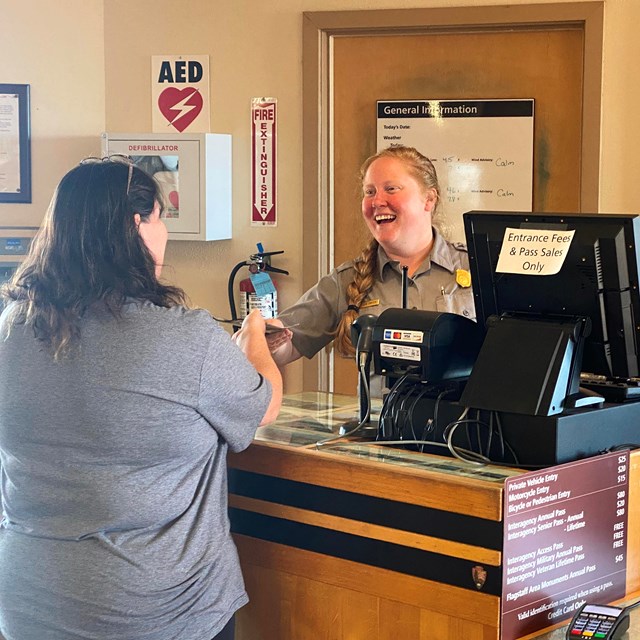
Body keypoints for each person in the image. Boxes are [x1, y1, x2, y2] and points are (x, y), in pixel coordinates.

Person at [0, 156, 282, 640]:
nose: (165, 234)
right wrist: (253, 335)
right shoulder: (183, 337)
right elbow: (264, 406)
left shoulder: (10, 328)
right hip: (158, 612)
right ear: (137, 224)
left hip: (28, 603)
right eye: (161, 220)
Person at [268, 144, 475, 372]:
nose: (377, 201)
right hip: (379, 409)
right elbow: (286, 345)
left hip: (461, 408)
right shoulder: (347, 280)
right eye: (370, 192)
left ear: (429, 199)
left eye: (391, 189)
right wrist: (266, 337)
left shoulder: (475, 268)